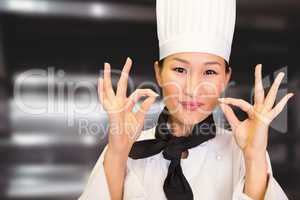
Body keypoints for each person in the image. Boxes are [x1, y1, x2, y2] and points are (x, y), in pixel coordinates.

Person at [79, 0, 292, 199]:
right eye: (180, 69)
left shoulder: (243, 152)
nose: (192, 89)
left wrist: (255, 157)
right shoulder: (125, 146)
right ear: (159, 73)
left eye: (209, 72)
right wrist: (118, 153)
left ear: (226, 78)